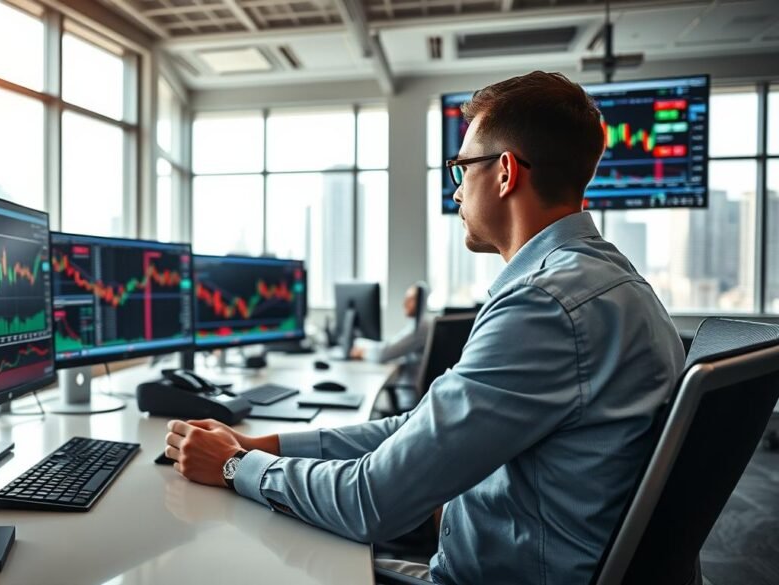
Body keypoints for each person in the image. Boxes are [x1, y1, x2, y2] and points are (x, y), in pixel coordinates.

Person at [164, 71, 685, 584]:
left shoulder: (545, 306)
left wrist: (235, 467)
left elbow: (372, 502)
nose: (456, 192)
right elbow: (418, 428)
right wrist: (266, 445)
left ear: (505, 173)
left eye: (462, 168)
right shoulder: (607, 282)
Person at [348, 281, 430, 366]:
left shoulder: (420, 327)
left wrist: (362, 352)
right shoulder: (417, 324)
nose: (404, 303)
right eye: (406, 299)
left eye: (410, 299)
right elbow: (391, 347)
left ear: (422, 302)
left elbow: (382, 355)